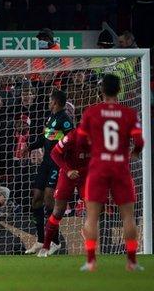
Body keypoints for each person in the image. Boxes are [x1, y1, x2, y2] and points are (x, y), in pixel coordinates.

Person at [77, 74, 144, 271]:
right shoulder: (129, 113)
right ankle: (131, 262)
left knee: (91, 216)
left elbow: (81, 143)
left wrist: (93, 151)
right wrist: (134, 153)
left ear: (102, 90)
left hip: (99, 167)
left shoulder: (91, 112)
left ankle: (90, 261)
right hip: (121, 167)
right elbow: (139, 142)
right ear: (119, 90)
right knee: (128, 217)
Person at [24, 89, 74, 255]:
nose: (48, 102)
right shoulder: (51, 118)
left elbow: (72, 140)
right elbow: (45, 139)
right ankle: (40, 239)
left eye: (50, 100)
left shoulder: (65, 119)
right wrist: (29, 147)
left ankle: (55, 241)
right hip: (45, 163)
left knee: (48, 200)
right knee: (36, 198)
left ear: (55, 102)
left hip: (56, 164)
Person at [36, 128, 89, 257]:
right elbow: (54, 154)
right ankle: (46, 246)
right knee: (58, 210)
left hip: (85, 175)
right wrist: (68, 170)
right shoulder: (71, 137)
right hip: (67, 174)